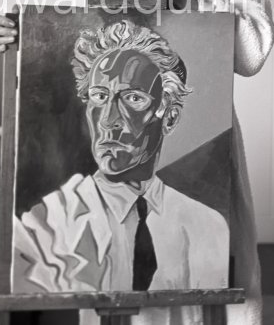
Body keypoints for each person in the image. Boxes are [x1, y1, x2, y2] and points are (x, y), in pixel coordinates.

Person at [0, 0, 274, 325]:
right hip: (120, 138)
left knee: (215, 267)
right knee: (115, 279)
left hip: (203, 135)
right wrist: (23, 35)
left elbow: (250, 55)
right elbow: (76, 39)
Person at [13, 20, 230, 301]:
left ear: (170, 116)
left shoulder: (206, 225)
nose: (108, 120)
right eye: (99, 96)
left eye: (132, 98)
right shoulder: (49, 223)